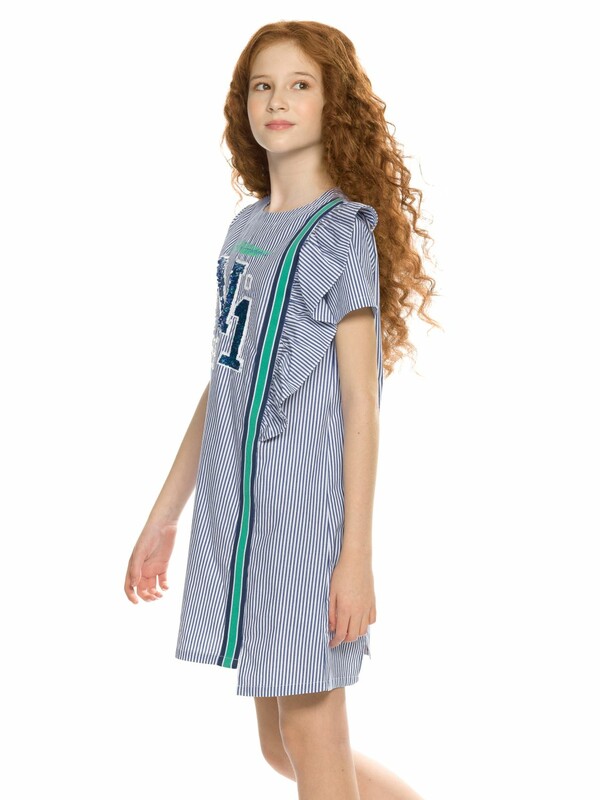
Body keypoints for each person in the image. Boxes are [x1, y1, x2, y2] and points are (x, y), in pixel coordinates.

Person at [124, 19, 439, 800]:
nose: (278, 100)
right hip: (245, 516)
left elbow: (362, 405)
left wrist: (354, 557)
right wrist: (164, 515)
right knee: (282, 747)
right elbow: (227, 381)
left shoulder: (339, 236)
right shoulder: (247, 230)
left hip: (306, 525)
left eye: (300, 85)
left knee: (311, 739)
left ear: (334, 104)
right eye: (263, 85)